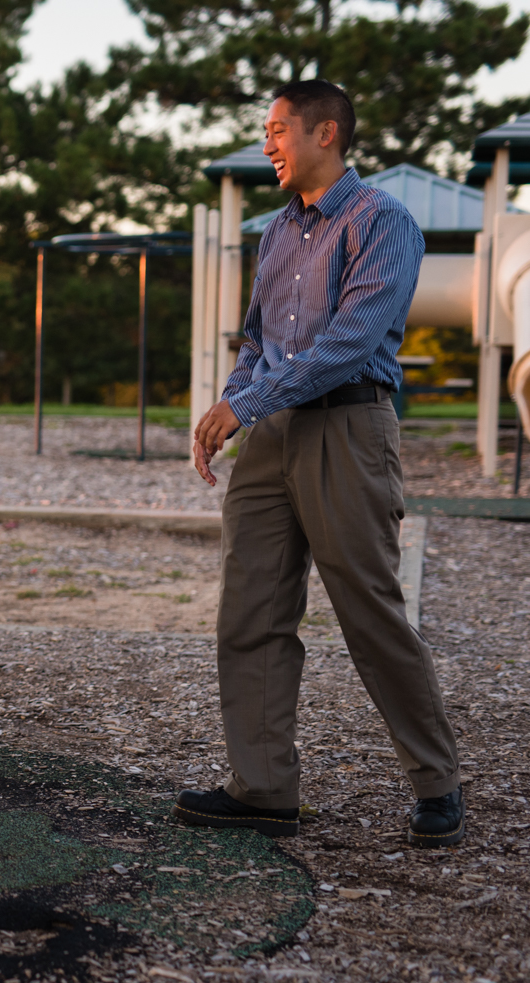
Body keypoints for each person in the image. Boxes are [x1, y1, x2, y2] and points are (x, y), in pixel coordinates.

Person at [180, 80, 463, 847]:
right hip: (272, 435)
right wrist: (230, 407)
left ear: (326, 132)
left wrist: (248, 402)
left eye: (278, 129)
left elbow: (347, 342)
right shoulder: (276, 232)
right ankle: (263, 786)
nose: (268, 142)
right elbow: (256, 339)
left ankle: (437, 780)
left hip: (349, 426)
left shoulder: (384, 223)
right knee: (251, 611)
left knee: (369, 610)